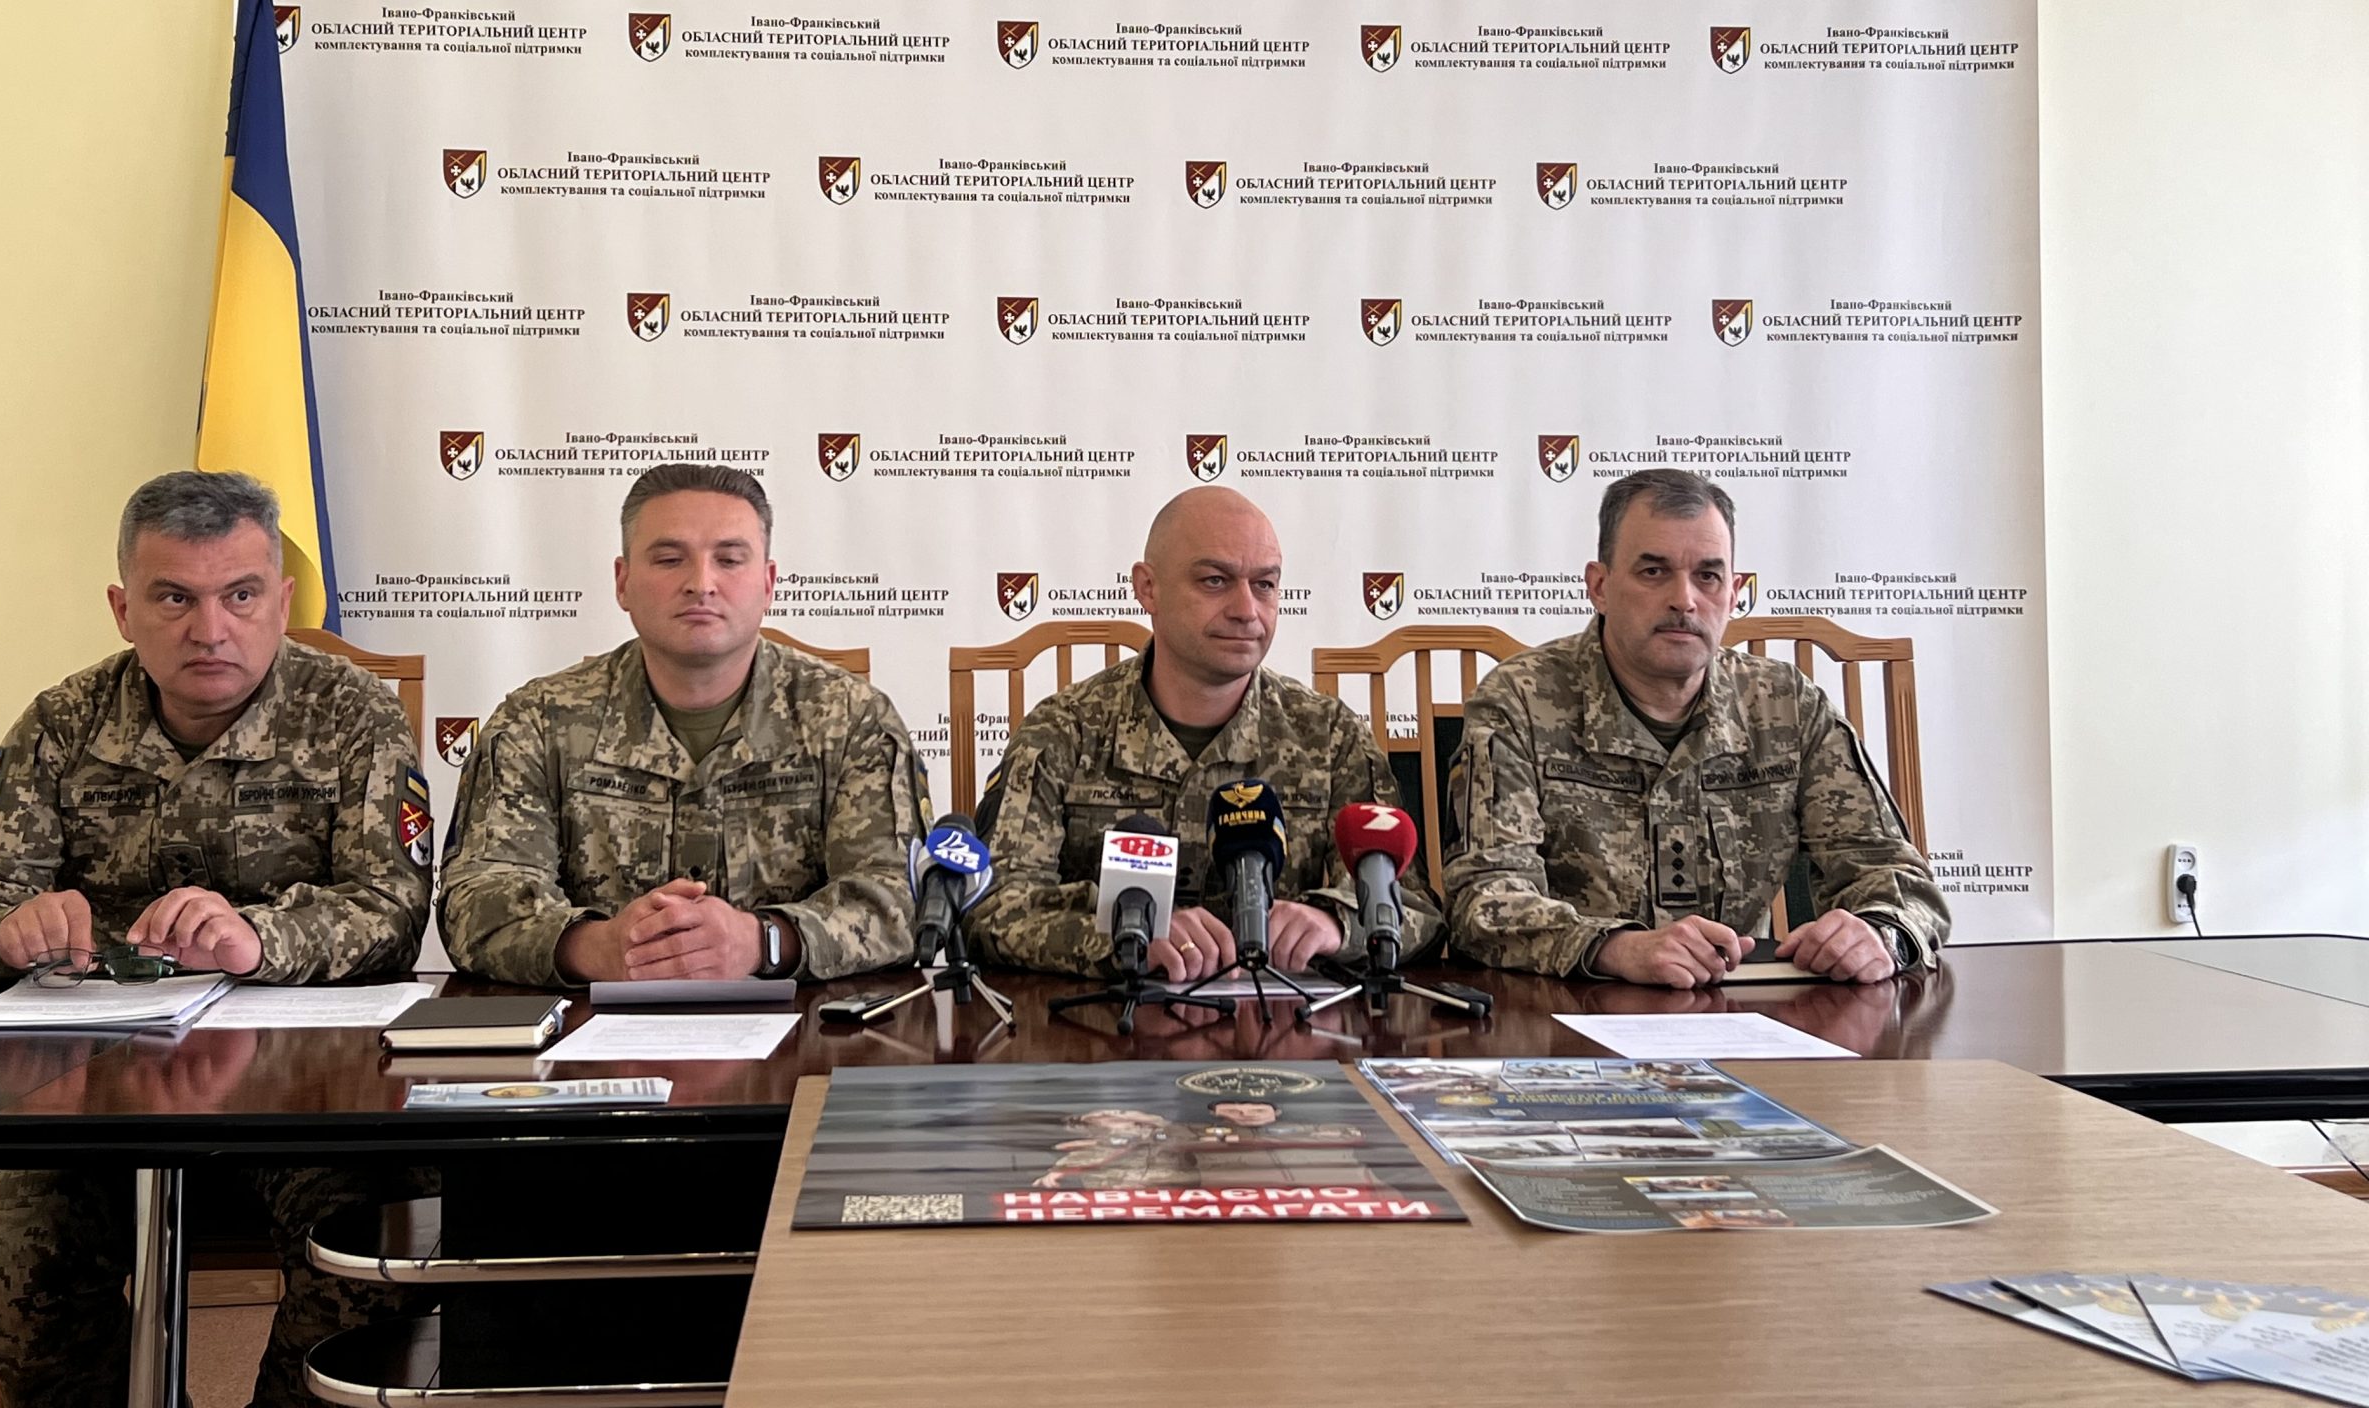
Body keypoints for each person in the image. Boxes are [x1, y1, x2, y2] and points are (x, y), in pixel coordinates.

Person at [0, 470, 432, 1408]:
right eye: (174, 599)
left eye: (241, 595)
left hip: (300, 1079)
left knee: (369, 1262)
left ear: (281, 601)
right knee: (19, 1280)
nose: (210, 629)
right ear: (124, 610)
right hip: (90, 1079)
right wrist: (7, 931)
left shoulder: (352, 715)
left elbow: (392, 904)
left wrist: (258, 939)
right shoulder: (62, 722)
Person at [1444, 467, 1949, 986]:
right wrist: (1614, 948)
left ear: (1734, 593)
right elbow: (1483, 898)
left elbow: (1896, 877)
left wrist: (1881, 934)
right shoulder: (1522, 700)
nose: (1684, 599)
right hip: (1574, 1006)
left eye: (1708, 576)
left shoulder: (1786, 705)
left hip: (1743, 1004)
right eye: (1653, 571)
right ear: (1599, 586)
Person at [439, 462, 926, 985]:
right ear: (623, 582)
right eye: (670, 560)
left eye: (729, 560)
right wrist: (600, 948)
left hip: (805, 1024)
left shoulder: (851, 719)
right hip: (589, 1026)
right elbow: (477, 901)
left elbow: (898, 898)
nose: (701, 584)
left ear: (768, 584)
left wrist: (761, 942)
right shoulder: (538, 721)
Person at [969, 487, 1441, 978]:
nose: (1246, 609)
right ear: (1148, 588)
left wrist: (1337, 924)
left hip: (1284, 1017)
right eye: (1215, 581)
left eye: (1264, 585)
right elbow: (992, 910)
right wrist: (1124, 933)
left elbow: (1417, 911)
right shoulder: (1065, 730)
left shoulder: (1330, 736)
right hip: (1111, 1016)